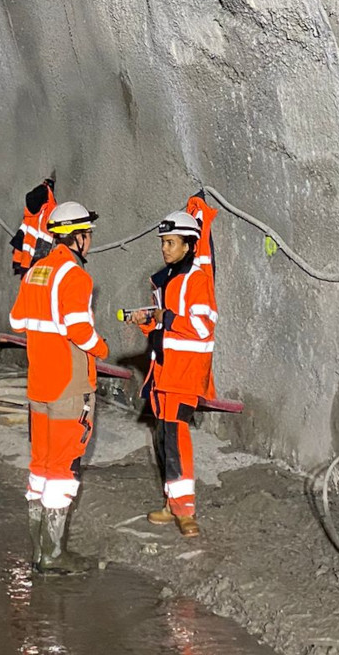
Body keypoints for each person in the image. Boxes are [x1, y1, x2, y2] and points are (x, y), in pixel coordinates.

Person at [9, 200, 109, 575]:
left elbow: (17, 320)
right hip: (69, 386)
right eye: (88, 235)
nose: (90, 241)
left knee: (40, 466)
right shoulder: (76, 276)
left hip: (38, 385)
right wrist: (102, 349)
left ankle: (38, 550)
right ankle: (53, 555)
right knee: (63, 468)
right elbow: (79, 330)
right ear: (77, 238)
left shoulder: (35, 271)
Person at [124, 210, 218, 538]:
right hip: (163, 373)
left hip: (184, 375)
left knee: (176, 439)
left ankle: (185, 511)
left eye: (171, 243)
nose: (164, 249)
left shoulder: (197, 280)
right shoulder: (165, 281)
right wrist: (147, 321)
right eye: (163, 242)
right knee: (165, 439)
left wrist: (165, 317)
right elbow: (164, 327)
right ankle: (172, 502)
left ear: (189, 245)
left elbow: (203, 326)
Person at [10, 178, 56, 276]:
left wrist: (18, 260)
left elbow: (20, 236)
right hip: (38, 260)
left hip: (26, 260)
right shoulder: (48, 209)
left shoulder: (30, 210)